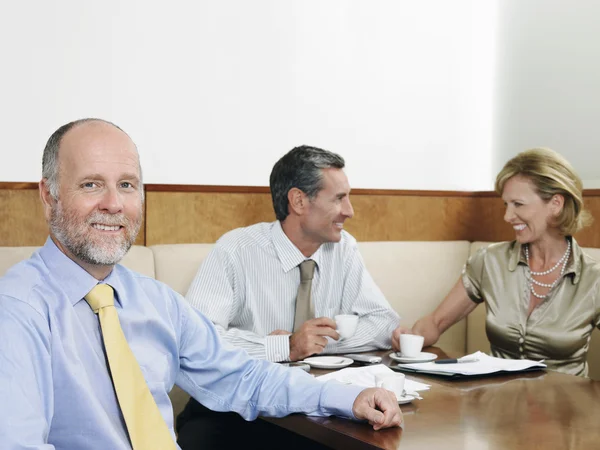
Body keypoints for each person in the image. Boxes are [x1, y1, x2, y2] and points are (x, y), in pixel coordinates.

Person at [0, 119, 402, 449]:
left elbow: (241, 376)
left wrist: (345, 398)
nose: (113, 203)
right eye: (90, 184)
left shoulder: (156, 301)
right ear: (49, 196)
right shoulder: (16, 311)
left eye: (126, 185)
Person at [177, 145, 401, 447]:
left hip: (317, 408)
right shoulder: (236, 250)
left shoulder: (344, 249)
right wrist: (283, 347)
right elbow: (196, 342)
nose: (350, 211)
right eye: (339, 198)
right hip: (233, 412)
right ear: (298, 200)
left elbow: (384, 323)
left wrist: (316, 343)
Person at [393, 148, 599, 377]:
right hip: (497, 405)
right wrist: (410, 338)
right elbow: (436, 322)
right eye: (506, 205)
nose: (508, 216)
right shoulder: (489, 262)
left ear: (555, 204)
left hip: (567, 409)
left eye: (518, 204)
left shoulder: (594, 278)